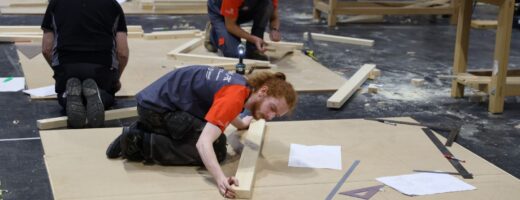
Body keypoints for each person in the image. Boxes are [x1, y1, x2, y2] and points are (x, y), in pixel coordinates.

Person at [106, 65, 297, 198]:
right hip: (156, 110)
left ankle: (144, 132)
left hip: (161, 102)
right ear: (263, 92)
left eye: (276, 115)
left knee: (213, 138)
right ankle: (138, 141)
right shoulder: (236, 96)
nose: (270, 116)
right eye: (272, 108)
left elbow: (224, 109)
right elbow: (203, 143)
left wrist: (240, 124)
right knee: (216, 147)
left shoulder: (242, 86)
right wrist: (221, 179)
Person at [41, 0, 129, 128]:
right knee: (108, 93)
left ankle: (68, 95)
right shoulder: (113, 5)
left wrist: (59, 72)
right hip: (101, 69)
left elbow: (46, 49)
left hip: (68, 67)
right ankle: (100, 95)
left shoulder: (56, 4)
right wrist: (116, 80)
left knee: (64, 92)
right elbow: (122, 52)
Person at [204, 0, 281, 60]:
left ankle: (253, 48)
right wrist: (253, 39)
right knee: (234, 54)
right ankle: (213, 33)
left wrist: (275, 29)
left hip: (239, 10)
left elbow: (274, 17)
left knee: (268, 5)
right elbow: (230, 26)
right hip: (220, 13)